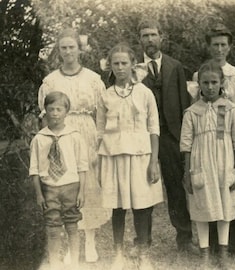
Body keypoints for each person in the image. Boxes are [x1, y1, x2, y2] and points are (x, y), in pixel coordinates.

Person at [38, 28, 109, 263]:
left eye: (72, 47)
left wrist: (99, 140)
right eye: (63, 48)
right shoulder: (51, 81)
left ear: (80, 49)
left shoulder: (92, 78)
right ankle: (71, 244)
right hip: (61, 135)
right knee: (66, 185)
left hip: (86, 132)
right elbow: (44, 114)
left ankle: (90, 241)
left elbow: (101, 112)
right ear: (59, 51)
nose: (68, 52)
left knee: (87, 186)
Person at [190, 23, 235, 255]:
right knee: (211, 188)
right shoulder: (199, 75)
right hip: (210, 141)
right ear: (209, 47)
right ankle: (211, 243)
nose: (219, 49)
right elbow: (196, 109)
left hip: (234, 137)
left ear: (229, 47)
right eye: (215, 45)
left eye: (223, 45)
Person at [97, 44, 163, 270]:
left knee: (142, 206)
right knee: (118, 206)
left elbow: (154, 127)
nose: (120, 67)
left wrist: (153, 161)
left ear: (132, 64)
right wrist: (100, 164)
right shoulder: (106, 96)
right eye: (115, 63)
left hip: (141, 157)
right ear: (110, 66)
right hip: (114, 157)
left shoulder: (145, 93)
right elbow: (100, 130)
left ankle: (144, 254)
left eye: (124, 63)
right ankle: (118, 255)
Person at [180, 61, 235, 268]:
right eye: (205, 83)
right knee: (202, 204)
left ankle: (223, 251)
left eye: (214, 82)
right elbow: (186, 144)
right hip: (201, 164)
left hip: (225, 163)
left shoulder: (232, 110)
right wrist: (187, 172)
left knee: (225, 204)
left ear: (221, 83)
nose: (210, 87)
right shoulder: (192, 112)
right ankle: (205, 253)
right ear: (199, 84)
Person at [137, 19, 194, 252]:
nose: (149, 39)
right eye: (144, 36)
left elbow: (183, 104)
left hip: (171, 135)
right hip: (144, 135)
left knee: (175, 186)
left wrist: (183, 137)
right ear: (139, 40)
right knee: (143, 185)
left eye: (153, 35)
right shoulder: (134, 69)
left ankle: (184, 237)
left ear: (161, 37)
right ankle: (143, 239)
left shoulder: (175, 66)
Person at [30, 91, 88, 270]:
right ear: (45, 111)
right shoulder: (39, 139)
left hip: (71, 186)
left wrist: (82, 191)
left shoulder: (75, 136)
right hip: (50, 188)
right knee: (53, 227)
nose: (55, 113)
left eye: (59, 109)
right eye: (51, 109)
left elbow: (82, 167)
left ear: (66, 112)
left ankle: (75, 264)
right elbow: (34, 170)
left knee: (72, 225)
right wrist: (39, 194)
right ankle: (54, 264)